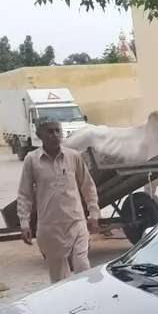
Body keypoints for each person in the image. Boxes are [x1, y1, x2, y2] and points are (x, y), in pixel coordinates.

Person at [17, 119, 100, 283]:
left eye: (57, 131)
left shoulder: (73, 156)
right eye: (50, 132)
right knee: (59, 276)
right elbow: (25, 193)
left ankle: (87, 302)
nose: (55, 135)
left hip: (76, 222)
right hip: (49, 227)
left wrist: (94, 213)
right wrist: (24, 223)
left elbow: (87, 186)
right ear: (39, 135)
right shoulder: (32, 160)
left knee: (83, 266)